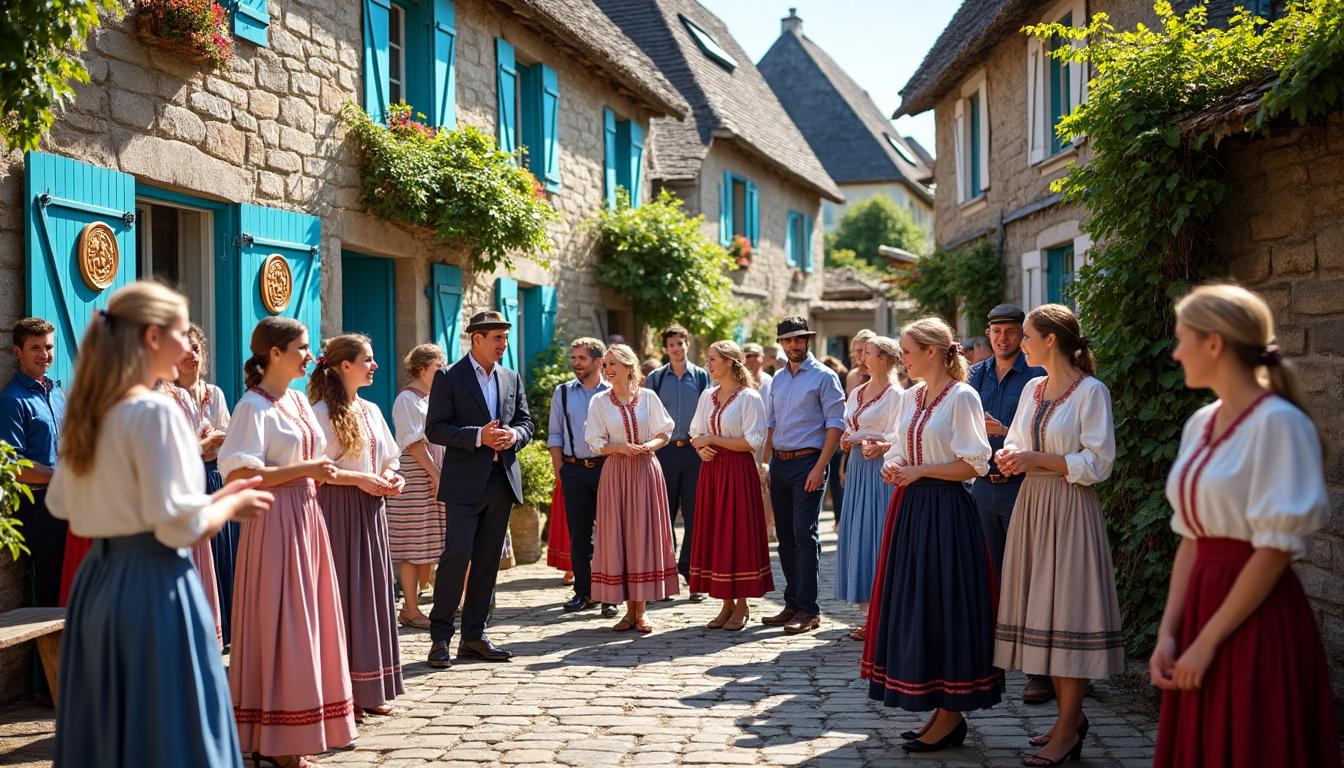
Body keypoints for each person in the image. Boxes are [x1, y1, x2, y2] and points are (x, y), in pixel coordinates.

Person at [48, 281, 272, 766]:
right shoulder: (154, 411)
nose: (190, 346)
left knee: (111, 730)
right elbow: (178, 527)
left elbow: (62, 503)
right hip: (152, 585)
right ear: (151, 337)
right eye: (180, 332)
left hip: (98, 587)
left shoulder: (90, 409)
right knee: (167, 727)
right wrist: (228, 504)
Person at [1152, 284, 1339, 768]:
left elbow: (1274, 550)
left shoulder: (1278, 423)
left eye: (1182, 339)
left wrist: (1207, 642)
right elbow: (1192, 537)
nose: (1175, 353)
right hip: (1200, 606)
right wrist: (1170, 634)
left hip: (1252, 615)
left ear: (1214, 344)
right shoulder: (1201, 423)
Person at [220, 317, 355, 766]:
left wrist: (315, 470)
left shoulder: (296, 400)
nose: (309, 355)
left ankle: (299, 728)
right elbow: (239, 473)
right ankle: (275, 737)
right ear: (274, 353)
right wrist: (307, 470)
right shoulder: (251, 408)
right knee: (283, 624)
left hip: (305, 516)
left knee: (308, 620)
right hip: (274, 520)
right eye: (301, 347)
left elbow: (305, 459)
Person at [863, 316, 1002, 753]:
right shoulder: (911, 396)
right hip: (910, 512)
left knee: (945, 606)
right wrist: (894, 464)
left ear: (933, 351)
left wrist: (919, 469)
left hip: (946, 513)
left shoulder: (962, 397)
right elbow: (901, 448)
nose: (902, 358)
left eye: (907, 351)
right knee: (916, 604)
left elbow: (975, 463)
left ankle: (951, 711)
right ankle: (938, 708)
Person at [993, 304, 1124, 766]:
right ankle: (1067, 721)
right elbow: (1015, 438)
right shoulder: (1033, 387)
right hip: (1032, 504)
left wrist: (1036, 460)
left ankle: (1068, 728)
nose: (1020, 343)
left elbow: (1099, 463)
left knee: (1068, 612)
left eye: (1026, 336)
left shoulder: (1092, 392)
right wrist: (1012, 456)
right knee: (1042, 612)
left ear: (1051, 339)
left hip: (1070, 509)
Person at [424, 310, 534, 667]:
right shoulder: (448, 377)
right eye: (498, 338)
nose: (504, 344)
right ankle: (440, 637)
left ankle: (474, 636)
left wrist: (513, 435)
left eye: (505, 338)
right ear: (477, 340)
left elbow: (526, 422)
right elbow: (435, 429)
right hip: (462, 485)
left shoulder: (511, 377)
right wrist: (477, 436)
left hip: (500, 481)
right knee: (456, 557)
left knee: (488, 561)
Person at [309, 334, 406, 719]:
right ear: (344, 365)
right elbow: (318, 467)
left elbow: (390, 457)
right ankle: (341, 691)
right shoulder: (319, 412)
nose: (374, 365)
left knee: (371, 594)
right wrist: (358, 481)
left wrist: (390, 477)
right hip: (337, 509)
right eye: (367, 359)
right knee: (344, 596)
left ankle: (369, 686)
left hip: (370, 509)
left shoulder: (370, 409)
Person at [967, 303, 1049, 704]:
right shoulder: (976, 374)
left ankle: (1039, 672)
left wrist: (1005, 431)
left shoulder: (1037, 375)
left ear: (1022, 334)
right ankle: (992, 658)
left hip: (1023, 486)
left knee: (1031, 575)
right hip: (983, 488)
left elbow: (1048, 432)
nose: (1002, 337)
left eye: (1011, 331)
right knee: (988, 574)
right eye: (996, 331)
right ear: (988, 333)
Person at [584, 344, 679, 632]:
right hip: (616, 472)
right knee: (619, 537)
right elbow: (595, 442)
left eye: (613, 363)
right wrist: (621, 448)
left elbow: (665, 432)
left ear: (628, 366)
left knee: (643, 537)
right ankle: (628, 611)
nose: (608, 369)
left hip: (646, 470)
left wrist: (647, 446)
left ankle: (642, 612)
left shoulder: (648, 397)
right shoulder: (600, 401)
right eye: (605, 365)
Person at [762, 317, 845, 635]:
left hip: (808, 462)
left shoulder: (825, 377)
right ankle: (793, 602)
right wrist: (767, 463)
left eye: (799, 340)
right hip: (780, 465)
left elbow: (836, 424)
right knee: (784, 536)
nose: (794, 345)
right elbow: (771, 423)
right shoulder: (778, 379)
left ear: (807, 341)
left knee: (803, 533)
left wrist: (820, 466)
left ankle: (809, 610)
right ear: (781, 344)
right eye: (788, 341)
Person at [687, 341, 773, 631]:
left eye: (713, 359)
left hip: (738, 471)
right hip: (711, 471)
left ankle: (742, 604)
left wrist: (711, 440)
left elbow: (752, 441)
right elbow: (696, 432)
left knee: (737, 533)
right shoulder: (707, 395)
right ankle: (725, 602)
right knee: (716, 534)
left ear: (730, 363)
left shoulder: (749, 397)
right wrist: (701, 447)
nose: (708, 364)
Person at [834, 336, 903, 641]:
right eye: (862, 352)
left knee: (879, 535)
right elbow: (850, 424)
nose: (863, 357)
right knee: (860, 534)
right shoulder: (859, 391)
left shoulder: (899, 396)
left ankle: (886, 614)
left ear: (886, 358)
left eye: (869, 353)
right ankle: (869, 613)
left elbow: (903, 437)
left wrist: (883, 445)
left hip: (882, 469)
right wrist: (848, 439)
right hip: (860, 466)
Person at [548, 337, 618, 619]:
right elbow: (555, 433)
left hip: (608, 468)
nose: (576, 364)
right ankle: (583, 591)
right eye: (574, 358)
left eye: (582, 359)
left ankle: (610, 595)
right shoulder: (563, 393)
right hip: (574, 469)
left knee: (610, 535)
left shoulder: (615, 392)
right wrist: (559, 469)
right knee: (579, 535)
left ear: (598, 361)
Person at [176, 325, 237, 647]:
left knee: (220, 553)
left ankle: (223, 627)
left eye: (196, 350)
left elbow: (226, 433)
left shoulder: (214, 393)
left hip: (213, 477)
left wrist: (217, 443)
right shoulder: (166, 395)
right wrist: (201, 444)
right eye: (184, 351)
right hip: (185, 480)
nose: (191, 356)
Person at [0, 318, 66, 610]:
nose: (45, 354)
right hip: (39, 507)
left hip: (69, 499)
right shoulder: (12, 400)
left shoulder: (56, 391)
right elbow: (13, 466)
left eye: (49, 347)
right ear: (18, 351)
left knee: (75, 581)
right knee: (51, 586)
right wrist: (61, 476)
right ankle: (49, 657)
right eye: (35, 348)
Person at [387, 344, 448, 630]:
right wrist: (435, 475)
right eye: (438, 366)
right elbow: (412, 443)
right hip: (416, 474)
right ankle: (409, 609)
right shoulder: (407, 400)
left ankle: (426, 601)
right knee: (413, 544)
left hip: (436, 471)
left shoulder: (433, 397)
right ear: (422, 368)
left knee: (432, 542)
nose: (443, 371)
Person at [647, 323, 710, 601]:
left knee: (696, 516)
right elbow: (647, 414)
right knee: (665, 516)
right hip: (665, 451)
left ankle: (693, 575)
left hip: (695, 452)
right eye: (671, 344)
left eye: (680, 343)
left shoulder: (701, 377)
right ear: (665, 348)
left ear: (687, 344)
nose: (676, 348)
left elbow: (710, 411)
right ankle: (668, 575)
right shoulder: (656, 379)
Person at [819, 355, 850, 528]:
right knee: (837, 482)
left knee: (831, 481)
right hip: (838, 439)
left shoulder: (829, 380)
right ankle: (839, 519)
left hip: (831, 439)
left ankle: (837, 519)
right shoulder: (843, 379)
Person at [844, 330, 875, 395]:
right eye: (858, 350)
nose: (862, 353)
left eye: (866, 350)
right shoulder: (852, 375)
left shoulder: (881, 375)